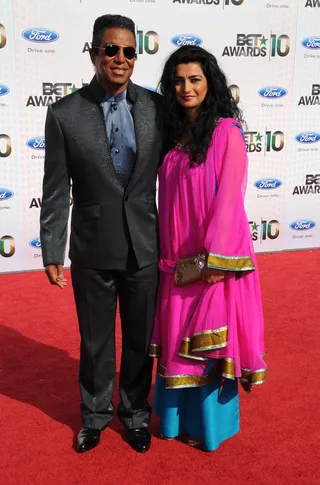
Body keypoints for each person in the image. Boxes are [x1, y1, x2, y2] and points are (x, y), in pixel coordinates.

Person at [40, 14, 163, 453]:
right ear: (93, 53)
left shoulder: (156, 107)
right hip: (91, 249)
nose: (121, 58)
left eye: (129, 51)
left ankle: (134, 415)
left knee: (137, 339)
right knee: (94, 342)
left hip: (145, 246)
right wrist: (52, 247)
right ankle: (93, 415)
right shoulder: (65, 114)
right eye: (111, 49)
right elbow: (55, 190)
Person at [149, 45, 266, 452]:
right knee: (177, 341)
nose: (186, 87)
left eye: (194, 79)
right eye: (178, 80)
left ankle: (211, 429)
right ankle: (174, 422)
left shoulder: (226, 133)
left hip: (210, 264)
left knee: (205, 346)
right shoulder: (173, 133)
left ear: (209, 82)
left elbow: (230, 201)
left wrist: (212, 263)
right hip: (174, 265)